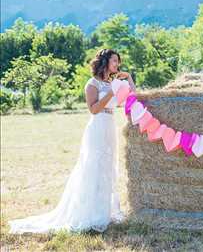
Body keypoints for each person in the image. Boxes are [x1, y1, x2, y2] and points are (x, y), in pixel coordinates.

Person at [9, 49, 135, 233]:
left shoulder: (113, 83)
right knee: (93, 167)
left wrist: (128, 77)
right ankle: (89, 213)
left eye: (118, 61)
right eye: (114, 61)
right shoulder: (92, 84)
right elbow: (93, 109)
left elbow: (133, 95)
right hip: (97, 127)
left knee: (108, 167)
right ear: (105, 62)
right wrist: (111, 93)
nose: (117, 64)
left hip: (110, 126)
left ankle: (105, 211)